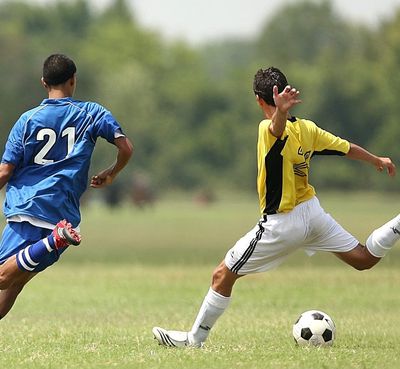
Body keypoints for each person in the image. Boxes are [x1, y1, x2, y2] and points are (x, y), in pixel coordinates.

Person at [152, 66, 399, 348]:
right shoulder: (308, 128)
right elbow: (346, 147)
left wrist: (279, 112)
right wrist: (376, 159)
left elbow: (275, 129)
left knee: (222, 274)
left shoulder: (266, 128)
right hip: (313, 213)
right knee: (364, 258)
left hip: (282, 223)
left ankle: (194, 341)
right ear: (283, 92)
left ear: (258, 100)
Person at [0, 53, 133, 320]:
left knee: (3, 276)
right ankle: (54, 240)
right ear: (73, 80)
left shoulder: (27, 120)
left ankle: (54, 239)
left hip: (28, 207)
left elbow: (5, 172)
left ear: (43, 82)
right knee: (14, 284)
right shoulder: (92, 113)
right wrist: (112, 173)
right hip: (65, 214)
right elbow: (125, 147)